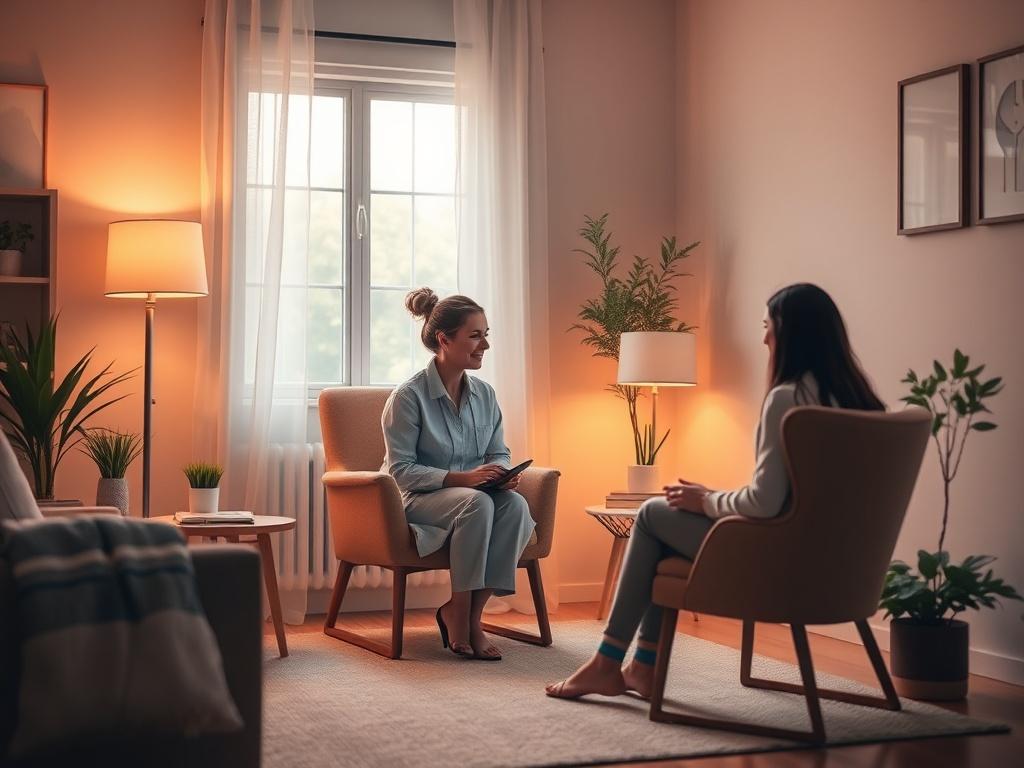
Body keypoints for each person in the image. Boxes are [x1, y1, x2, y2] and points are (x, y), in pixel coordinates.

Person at [546, 282, 885, 699]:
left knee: (652, 514)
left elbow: (763, 504)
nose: (764, 339)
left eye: (767, 326)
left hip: (780, 564)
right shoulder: (863, 404)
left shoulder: (789, 399)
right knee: (664, 526)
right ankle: (641, 667)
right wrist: (711, 497)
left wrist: (705, 500)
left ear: (790, 332)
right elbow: (793, 500)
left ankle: (609, 663)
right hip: (841, 567)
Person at [382, 287, 535, 661]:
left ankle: (467, 615)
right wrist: (461, 479)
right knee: (476, 503)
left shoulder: (485, 395)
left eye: (486, 334)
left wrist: (502, 473)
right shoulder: (408, 397)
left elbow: (498, 450)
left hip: (473, 496)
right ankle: (463, 613)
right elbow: (400, 472)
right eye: (476, 335)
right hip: (417, 500)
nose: (486, 345)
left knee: (515, 506)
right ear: (444, 339)